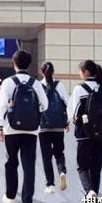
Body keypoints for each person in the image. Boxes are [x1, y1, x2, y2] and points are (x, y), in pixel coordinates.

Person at [0, 50, 48, 203]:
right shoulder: (36, 83)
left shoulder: (8, 82)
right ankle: (27, 201)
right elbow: (45, 105)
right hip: (31, 130)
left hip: (11, 129)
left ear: (14, 64)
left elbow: (1, 106)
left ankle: (10, 196)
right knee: (29, 165)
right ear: (29, 64)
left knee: (11, 162)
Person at [68, 60, 102, 199]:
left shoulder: (79, 89)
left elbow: (73, 112)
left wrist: (74, 122)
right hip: (101, 133)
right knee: (96, 167)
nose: (79, 73)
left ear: (86, 72)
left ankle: (89, 191)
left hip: (84, 133)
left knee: (82, 166)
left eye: (80, 71)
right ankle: (94, 192)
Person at [38, 61, 71, 194]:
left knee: (46, 157)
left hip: (43, 127)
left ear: (42, 72)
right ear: (53, 72)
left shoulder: (38, 86)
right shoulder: (59, 85)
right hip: (58, 126)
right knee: (59, 153)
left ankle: (50, 184)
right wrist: (67, 121)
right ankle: (62, 172)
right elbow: (68, 103)